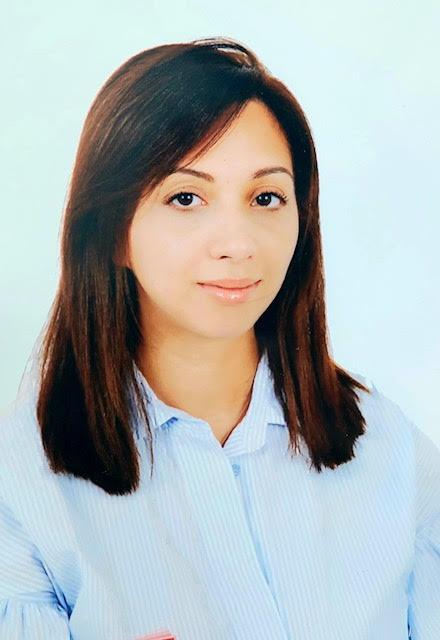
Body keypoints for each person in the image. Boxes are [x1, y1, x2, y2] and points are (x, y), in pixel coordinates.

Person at [0, 36, 438, 640]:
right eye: (186, 197)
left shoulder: (388, 447)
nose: (238, 242)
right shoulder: (21, 485)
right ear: (112, 231)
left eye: (266, 198)